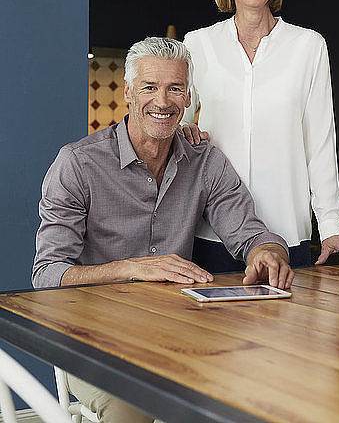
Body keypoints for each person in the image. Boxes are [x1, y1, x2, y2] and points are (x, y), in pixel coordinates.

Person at [32, 36, 294, 423]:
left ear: (188, 98)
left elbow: (250, 232)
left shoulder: (206, 162)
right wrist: (133, 267)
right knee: (132, 407)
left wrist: (267, 251)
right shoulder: (77, 165)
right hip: (93, 339)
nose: (163, 101)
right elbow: (46, 275)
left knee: (253, 387)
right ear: (129, 93)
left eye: (175, 89)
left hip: (181, 334)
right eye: (150, 87)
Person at [181, 0, 339, 272]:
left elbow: (319, 141)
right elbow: (176, 121)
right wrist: (185, 129)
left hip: (288, 234)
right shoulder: (197, 44)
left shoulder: (309, 46)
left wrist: (331, 223)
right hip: (213, 233)